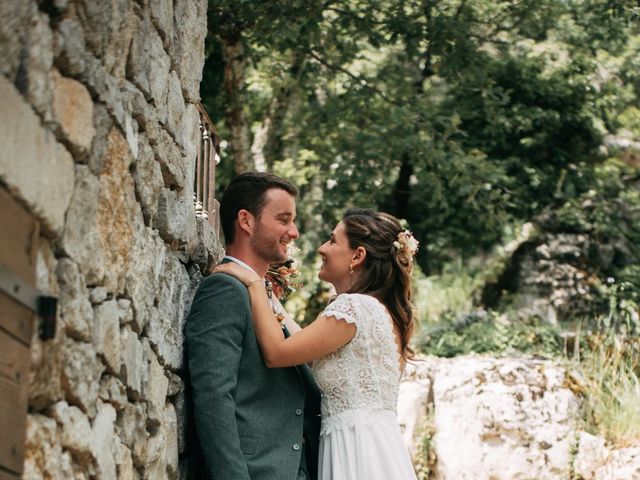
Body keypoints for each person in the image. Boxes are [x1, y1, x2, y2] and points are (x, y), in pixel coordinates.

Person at [215, 208, 419, 480]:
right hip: (378, 444)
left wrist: (253, 284)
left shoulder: (353, 307)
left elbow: (277, 353)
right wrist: (270, 298)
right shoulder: (379, 312)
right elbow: (306, 345)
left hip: (354, 449)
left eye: (333, 241)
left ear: (357, 256)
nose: (323, 248)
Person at [185, 172, 321, 480]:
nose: (294, 232)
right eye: (284, 220)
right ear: (246, 221)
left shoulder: (265, 293)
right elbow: (213, 397)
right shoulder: (224, 289)